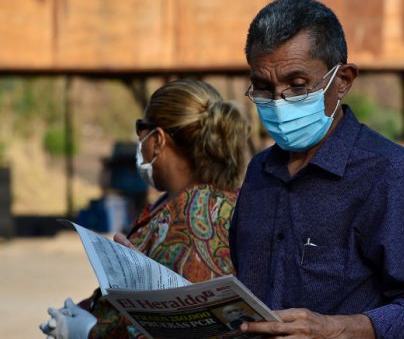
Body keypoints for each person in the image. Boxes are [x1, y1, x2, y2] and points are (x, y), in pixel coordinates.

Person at [230, 0, 404, 339]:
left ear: (343, 80)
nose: (278, 102)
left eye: (297, 85)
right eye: (264, 88)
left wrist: (335, 329)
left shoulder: (390, 173)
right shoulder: (259, 172)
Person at [40, 79, 250, 339]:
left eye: (141, 130)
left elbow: (185, 328)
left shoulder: (198, 214)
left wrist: (89, 333)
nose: (139, 142)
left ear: (158, 139)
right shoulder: (171, 206)